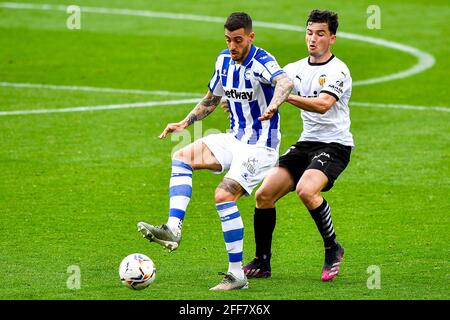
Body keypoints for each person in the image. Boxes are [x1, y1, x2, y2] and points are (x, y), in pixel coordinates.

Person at [137, 12, 293, 290]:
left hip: (260, 146)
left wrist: (274, 104)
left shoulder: (262, 62)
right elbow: (212, 98)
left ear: (250, 37)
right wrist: (186, 122)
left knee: (223, 196)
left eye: (238, 40)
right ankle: (173, 228)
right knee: (181, 157)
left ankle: (237, 275)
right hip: (234, 138)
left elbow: (284, 82)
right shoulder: (223, 61)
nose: (232, 46)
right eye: (228, 40)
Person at [243, 9, 354, 282]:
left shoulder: (339, 71)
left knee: (306, 190)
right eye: (309, 33)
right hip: (306, 144)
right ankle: (262, 261)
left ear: (332, 38)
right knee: (264, 195)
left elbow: (323, 105)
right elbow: (264, 86)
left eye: (320, 34)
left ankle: (332, 248)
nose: (313, 39)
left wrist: (286, 97)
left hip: (335, 145)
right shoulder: (294, 69)